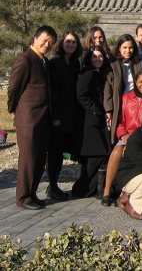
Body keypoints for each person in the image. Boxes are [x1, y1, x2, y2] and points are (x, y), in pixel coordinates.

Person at [8, 25, 57, 210]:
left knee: (38, 159)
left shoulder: (43, 61)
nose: (46, 44)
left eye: (50, 43)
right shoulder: (25, 60)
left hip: (43, 118)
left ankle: (32, 193)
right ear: (35, 39)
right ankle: (23, 197)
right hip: (28, 118)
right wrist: (14, 109)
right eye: (44, 40)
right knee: (28, 158)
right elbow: (14, 88)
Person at [101, 70, 142, 206]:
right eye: (140, 82)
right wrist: (124, 135)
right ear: (135, 82)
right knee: (117, 151)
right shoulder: (126, 98)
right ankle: (107, 191)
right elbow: (120, 122)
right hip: (127, 135)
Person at [72, 46, 112, 198]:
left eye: (100, 56)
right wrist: (97, 110)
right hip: (89, 120)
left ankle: (91, 188)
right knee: (96, 154)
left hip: (96, 119)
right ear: (89, 58)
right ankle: (82, 188)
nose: (98, 59)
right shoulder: (87, 73)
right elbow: (81, 95)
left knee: (97, 155)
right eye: (94, 57)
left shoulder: (99, 72)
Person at [47, 31, 83, 201]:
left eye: (74, 42)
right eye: (68, 42)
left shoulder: (75, 63)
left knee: (63, 152)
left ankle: (55, 186)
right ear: (61, 43)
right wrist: (55, 116)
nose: (70, 45)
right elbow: (52, 92)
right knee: (55, 152)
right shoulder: (55, 63)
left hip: (71, 115)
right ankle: (52, 186)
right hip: (59, 116)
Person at [104, 34, 142, 145]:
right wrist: (109, 109)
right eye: (124, 48)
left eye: (130, 47)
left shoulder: (138, 64)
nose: (128, 51)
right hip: (118, 103)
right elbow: (107, 89)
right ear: (119, 48)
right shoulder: (112, 64)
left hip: (134, 104)